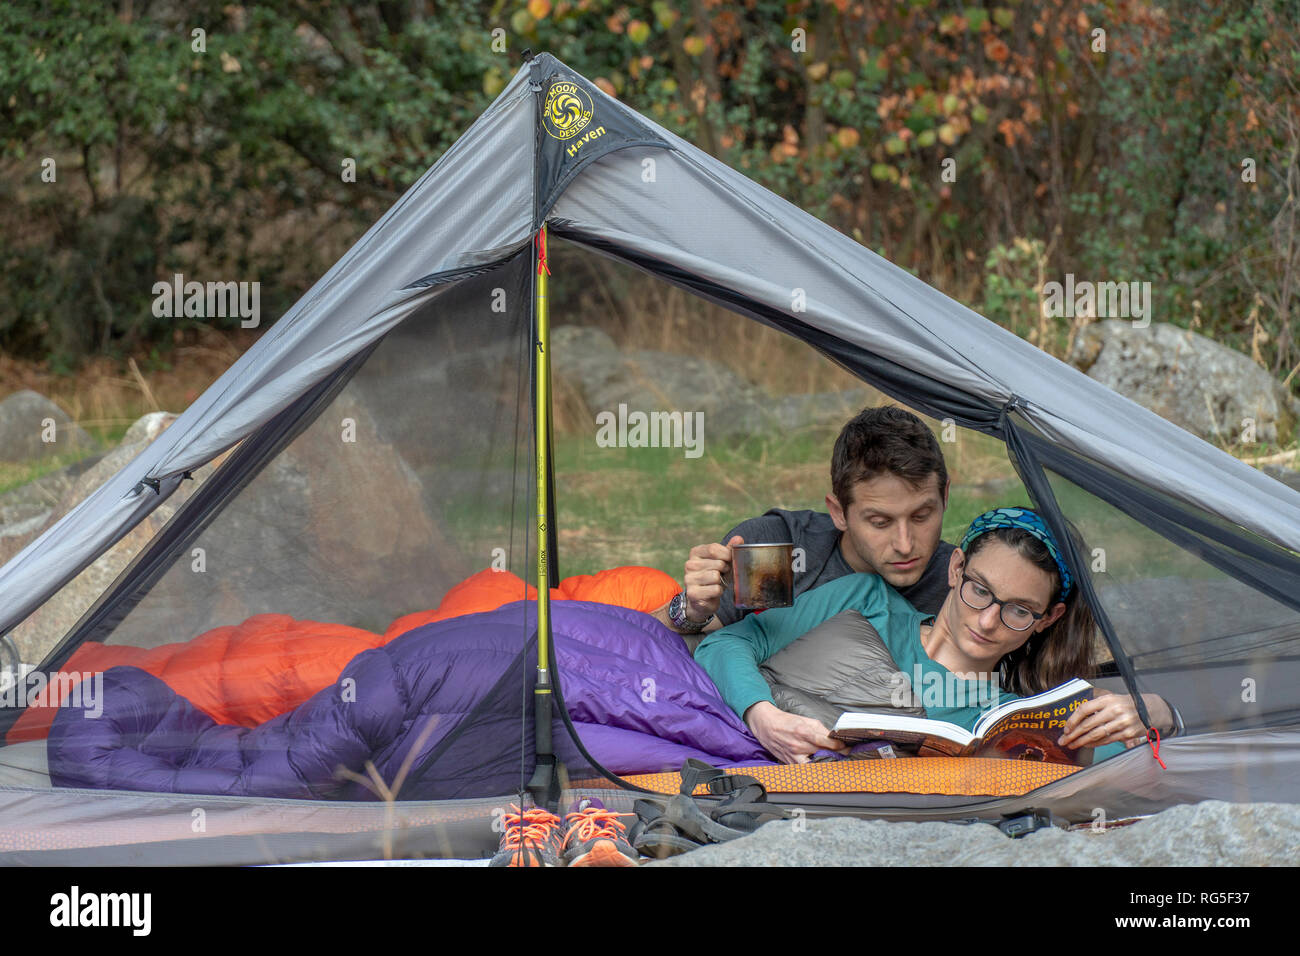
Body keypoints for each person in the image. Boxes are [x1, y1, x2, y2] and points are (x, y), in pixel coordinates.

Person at [695, 506, 1182, 764]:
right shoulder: (867, 601)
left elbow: (1134, 753)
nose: (987, 622)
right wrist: (763, 717)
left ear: (1048, 618)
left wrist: (1158, 711)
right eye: (979, 591)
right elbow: (727, 642)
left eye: (1018, 611)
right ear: (956, 568)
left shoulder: (1014, 715)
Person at [651, 406, 955, 646]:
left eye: (921, 516)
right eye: (880, 522)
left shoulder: (962, 581)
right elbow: (655, 644)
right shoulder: (779, 554)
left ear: (945, 497)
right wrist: (690, 611)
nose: (904, 544)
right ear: (839, 513)